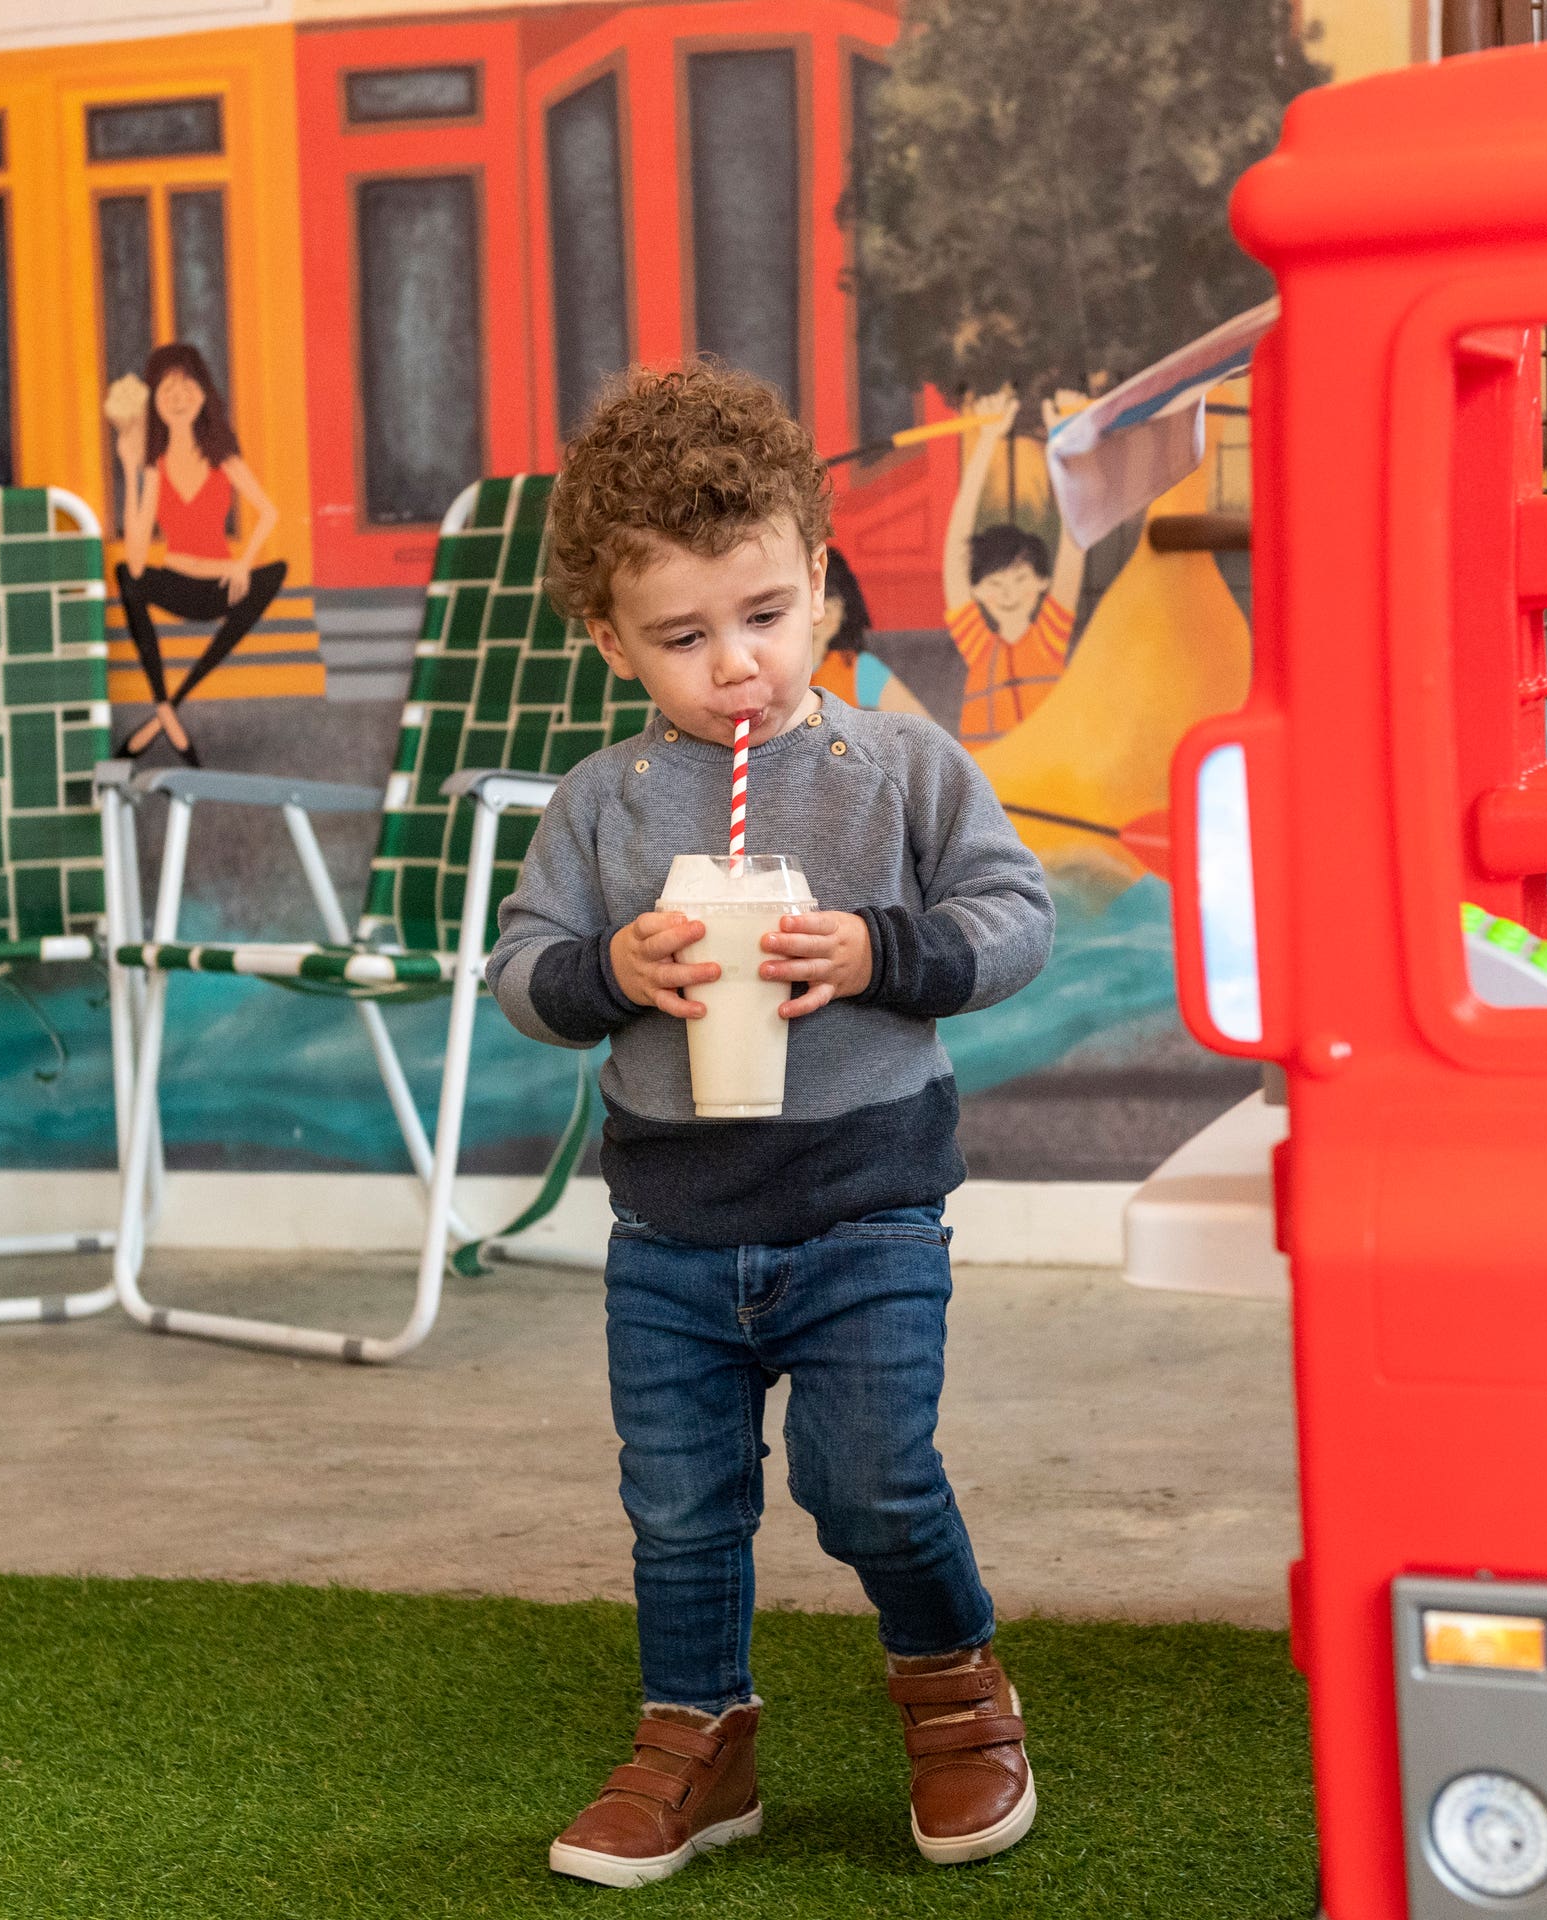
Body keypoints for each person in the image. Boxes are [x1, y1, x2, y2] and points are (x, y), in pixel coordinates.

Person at [490, 362, 1055, 1888]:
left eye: (764, 615)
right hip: (670, 1230)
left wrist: (885, 950)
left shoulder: (901, 768)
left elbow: (1016, 919)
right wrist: (610, 971)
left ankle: (953, 1687)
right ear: (612, 640)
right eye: (683, 638)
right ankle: (699, 1736)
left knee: (867, 1478)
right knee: (678, 1505)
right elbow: (520, 977)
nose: (735, 666)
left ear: (817, 580)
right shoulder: (602, 810)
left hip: (866, 1205)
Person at [108, 342, 285, 763]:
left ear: (204, 393)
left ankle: (167, 710)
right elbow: (135, 562)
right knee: (124, 575)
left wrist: (243, 563)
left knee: (274, 572)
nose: (178, 397)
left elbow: (268, 512)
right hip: (174, 582)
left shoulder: (222, 456)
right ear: (154, 402)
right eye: (167, 389)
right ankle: (165, 709)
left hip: (220, 585)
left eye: (187, 385)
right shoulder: (155, 466)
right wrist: (131, 469)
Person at [940, 386, 1088, 742]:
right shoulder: (978, 646)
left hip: (1045, 784)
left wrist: (1064, 441)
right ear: (977, 591)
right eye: (995, 583)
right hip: (990, 790)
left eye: (1020, 578)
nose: (1008, 593)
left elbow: (1074, 539)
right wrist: (987, 441)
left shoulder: (1050, 636)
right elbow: (956, 553)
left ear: (1042, 582)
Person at [805, 550, 929, 720]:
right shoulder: (775, 665)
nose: (827, 617)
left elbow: (922, 726)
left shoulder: (857, 668)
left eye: (834, 608)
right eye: (818, 604)